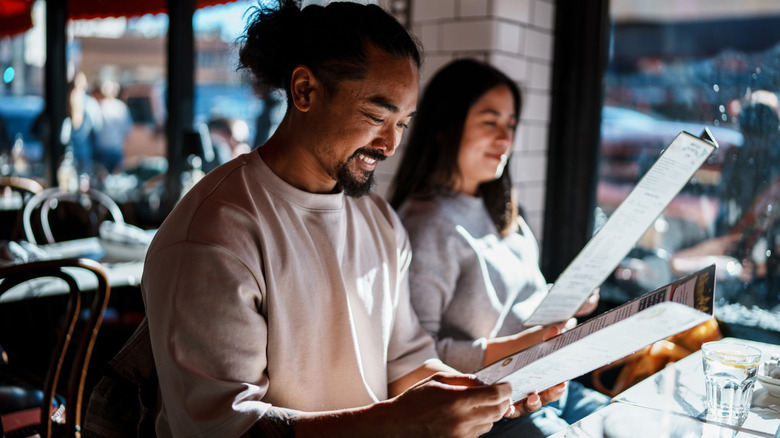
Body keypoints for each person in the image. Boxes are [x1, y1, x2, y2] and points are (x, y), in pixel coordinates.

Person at [83, 2, 564, 437]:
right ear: (305, 89)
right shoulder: (215, 234)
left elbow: (406, 362)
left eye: (402, 124)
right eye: (377, 114)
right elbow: (228, 429)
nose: (390, 145)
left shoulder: (378, 220)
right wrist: (400, 421)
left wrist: (487, 394)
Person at [388, 59, 610, 437]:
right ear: (445, 126)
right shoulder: (426, 226)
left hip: (548, 386)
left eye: (510, 124)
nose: (505, 140)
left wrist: (564, 298)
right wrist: (522, 346)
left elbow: (520, 302)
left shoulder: (502, 208)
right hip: (494, 410)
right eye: (490, 122)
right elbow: (417, 358)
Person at [95, 79, 132, 173]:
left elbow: (95, 129)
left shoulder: (99, 107)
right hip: (115, 148)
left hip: (102, 148)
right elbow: (128, 130)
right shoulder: (121, 107)